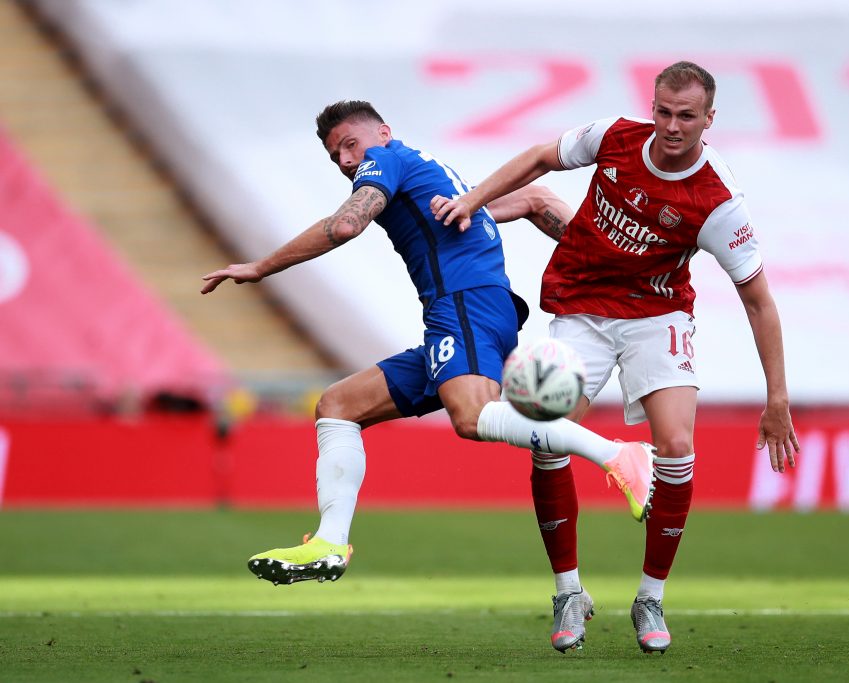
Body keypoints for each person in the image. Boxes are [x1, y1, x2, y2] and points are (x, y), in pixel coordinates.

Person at [200, 100, 658, 591]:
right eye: (336, 156)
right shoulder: (431, 174)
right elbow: (535, 199)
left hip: (465, 306)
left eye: (350, 145)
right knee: (337, 406)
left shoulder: (387, 160)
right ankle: (330, 541)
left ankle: (620, 455)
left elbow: (346, 224)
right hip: (467, 312)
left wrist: (259, 267)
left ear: (383, 133)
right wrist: (608, 264)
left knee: (470, 417)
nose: (347, 161)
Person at [431, 61, 801, 654]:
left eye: (687, 116)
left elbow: (759, 302)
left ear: (710, 119)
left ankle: (650, 597)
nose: (672, 126)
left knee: (677, 447)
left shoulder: (718, 201)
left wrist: (776, 398)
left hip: (658, 316)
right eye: (664, 112)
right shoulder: (616, 137)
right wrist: (471, 200)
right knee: (544, 435)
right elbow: (538, 158)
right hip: (582, 310)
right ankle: (568, 590)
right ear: (651, 107)